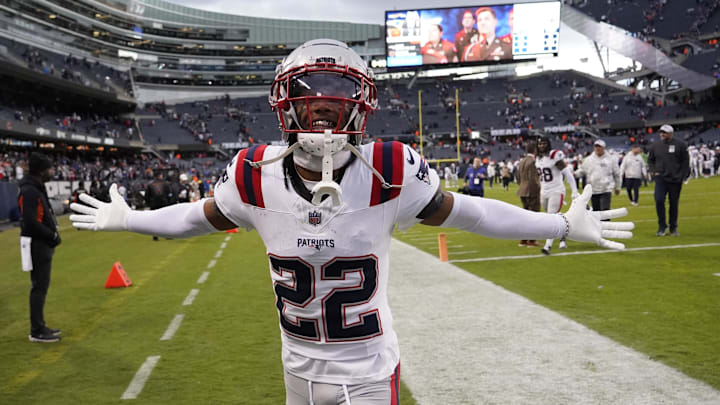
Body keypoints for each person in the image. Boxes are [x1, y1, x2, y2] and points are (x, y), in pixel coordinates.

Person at [70, 39, 633, 405]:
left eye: (334, 102)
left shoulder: (388, 169)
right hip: (296, 371)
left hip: (367, 376)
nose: (321, 112)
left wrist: (560, 226)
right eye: (309, 101)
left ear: (360, 109)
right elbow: (193, 219)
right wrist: (130, 217)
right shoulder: (253, 173)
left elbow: (473, 212)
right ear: (284, 108)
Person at [18, 152, 62, 343]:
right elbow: (31, 221)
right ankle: (37, 330)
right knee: (39, 287)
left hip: (41, 243)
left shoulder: (35, 188)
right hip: (38, 244)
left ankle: (39, 326)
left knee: (41, 286)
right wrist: (51, 235)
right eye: (49, 168)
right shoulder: (30, 191)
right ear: (41, 171)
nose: (52, 171)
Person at [536, 136, 579, 255]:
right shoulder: (538, 158)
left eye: (544, 143)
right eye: (539, 144)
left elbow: (567, 174)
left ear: (548, 144)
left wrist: (574, 191)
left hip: (556, 190)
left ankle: (547, 246)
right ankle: (563, 237)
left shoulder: (554, 155)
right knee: (554, 217)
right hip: (544, 191)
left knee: (551, 216)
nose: (541, 146)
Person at [648, 125, 689, 236]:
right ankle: (662, 226)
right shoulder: (655, 146)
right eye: (661, 132)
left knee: (674, 204)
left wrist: (683, 175)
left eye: (664, 132)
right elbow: (650, 160)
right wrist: (653, 171)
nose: (662, 134)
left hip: (675, 179)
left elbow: (685, 161)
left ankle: (673, 227)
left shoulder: (680, 145)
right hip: (660, 178)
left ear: (671, 133)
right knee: (659, 200)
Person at [575, 139, 621, 214]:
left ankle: (605, 225)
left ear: (604, 148)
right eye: (596, 146)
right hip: (593, 189)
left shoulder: (611, 159)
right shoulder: (589, 159)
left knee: (605, 210)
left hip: (606, 189)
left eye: (599, 146)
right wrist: (574, 174)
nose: (597, 148)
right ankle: (598, 226)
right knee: (596, 211)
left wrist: (618, 186)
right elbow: (582, 170)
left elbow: (617, 174)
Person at [515, 141, 541, 247]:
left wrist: (522, 186)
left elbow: (518, 177)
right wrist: (538, 190)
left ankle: (523, 239)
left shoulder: (522, 161)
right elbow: (533, 179)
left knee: (524, 216)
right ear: (535, 150)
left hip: (522, 190)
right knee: (534, 216)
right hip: (531, 191)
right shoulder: (533, 161)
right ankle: (532, 240)